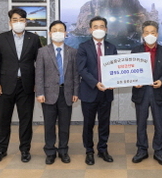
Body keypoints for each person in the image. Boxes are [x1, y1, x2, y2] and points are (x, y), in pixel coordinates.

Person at [0, 8, 41, 163]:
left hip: (26, 86)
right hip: (5, 86)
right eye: (15, 20)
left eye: (21, 20)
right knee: (3, 119)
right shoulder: (1, 38)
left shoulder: (33, 39)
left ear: (25, 22)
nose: (18, 22)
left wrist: (37, 84)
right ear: (10, 22)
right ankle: (1, 150)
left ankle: (25, 150)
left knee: (26, 120)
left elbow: (39, 64)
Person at [131, 21, 162, 165]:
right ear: (142, 34)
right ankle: (141, 150)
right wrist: (134, 80)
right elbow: (130, 71)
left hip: (159, 92)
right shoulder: (135, 51)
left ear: (157, 33)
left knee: (159, 124)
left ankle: (159, 151)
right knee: (141, 124)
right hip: (141, 92)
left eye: (153, 32)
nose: (150, 35)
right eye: (147, 33)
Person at [35, 20, 79, 164]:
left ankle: (63, 150)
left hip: (66, 93)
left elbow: (75, 74)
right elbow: (39, 74)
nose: (58, 32)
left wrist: (75, 92)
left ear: (66, 33)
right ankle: (50, 151)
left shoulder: (72, 51)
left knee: (65, 125)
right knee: (49, 125)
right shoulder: (42, 51)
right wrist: (39, 92)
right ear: (50, 33)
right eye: (55, 30)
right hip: (48, 94)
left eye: (61, 30)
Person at [76, 16, 117, 165]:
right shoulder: (83, 47)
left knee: (104, 123)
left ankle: (103, 149)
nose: (98, 29)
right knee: (88, 124)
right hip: (89, 92)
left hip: (106, 93)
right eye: (95, 26)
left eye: (101, 26)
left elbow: (114, 68)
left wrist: (114, 81)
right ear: (90, 29)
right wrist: (96, 83)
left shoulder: (111, 47)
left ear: (106, 29)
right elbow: (82, 69)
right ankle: (89, 151)